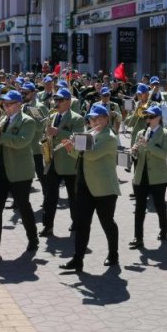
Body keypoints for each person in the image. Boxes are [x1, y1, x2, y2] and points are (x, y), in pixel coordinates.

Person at [0, 90, 41, 258]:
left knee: (24, 207)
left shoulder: (28, 121)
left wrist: (0, 135)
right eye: (4, 103)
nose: (6, 106)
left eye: (9, 104)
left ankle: (33, 239)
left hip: (19, 172)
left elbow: (21, 142)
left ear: (19, 104)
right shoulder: (3, 120)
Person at [58, 104, 121, 271]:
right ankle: (77, 259)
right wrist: (69, 147)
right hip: (85, 185)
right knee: (82, 223)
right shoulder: (89, 134)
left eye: (97, 118)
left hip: (104, 188)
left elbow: (92, 155)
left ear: (106, 119)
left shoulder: (110, 137)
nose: (93, 121)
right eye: (91, 119)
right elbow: (79, 157)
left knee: (107, 222)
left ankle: (113, 254)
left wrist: (77, 145)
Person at [39, 88, 84, 237]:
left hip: (69, 163)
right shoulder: (52, 116)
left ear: (68, 102)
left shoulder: (77, 118)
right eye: (55, 100)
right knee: (50, 197)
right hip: (53, 162)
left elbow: (78, 139)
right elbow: (49, 134)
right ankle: (48, 226)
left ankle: (77, 223)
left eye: (60, 100)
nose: (56, 102)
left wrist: (58, 132)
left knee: (74, 197)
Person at [130, 105, 167, 248]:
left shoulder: (166, 133)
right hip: (141, 175)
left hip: (158, 176)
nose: (148, 119)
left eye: (151, 116)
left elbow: (164, 154)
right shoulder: (141, 132)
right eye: (147, 116)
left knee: (160, 205)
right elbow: (136, 154)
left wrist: (148, 146)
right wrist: (134, 151)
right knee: (139, 208)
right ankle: (138, 237)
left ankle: (164, 230)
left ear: (159, 118)